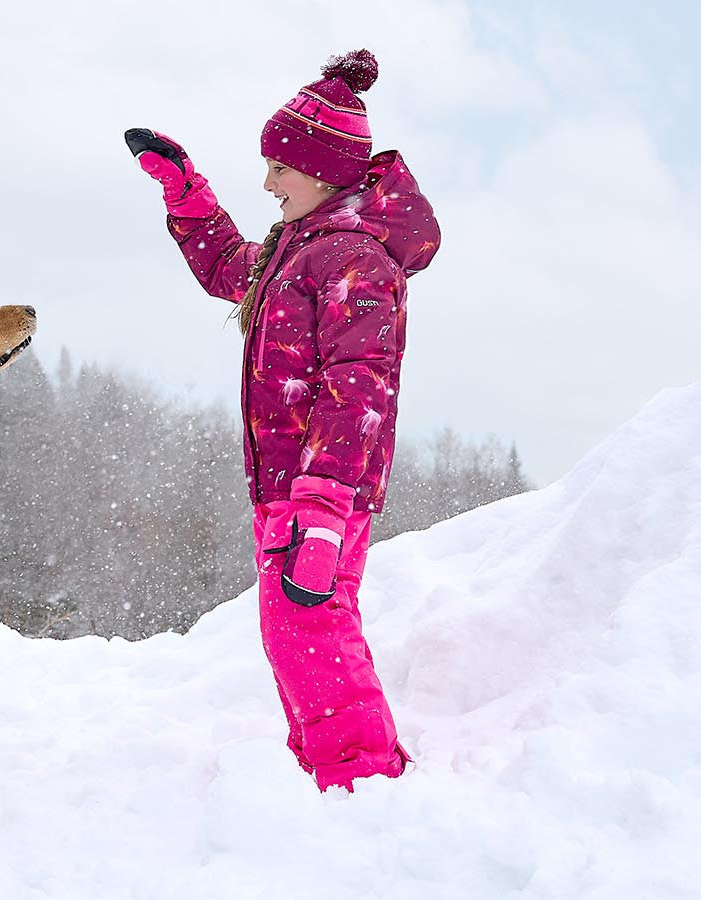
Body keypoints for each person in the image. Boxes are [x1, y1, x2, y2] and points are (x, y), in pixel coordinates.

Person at [127, 49, 440, 792]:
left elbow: (360, 386)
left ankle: (364, 784)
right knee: (294, 632)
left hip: (321, 496)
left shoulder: (352, 259)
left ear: (323, 170)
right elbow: (228, 268)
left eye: (279, 169)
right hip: (292, 492)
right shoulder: (301, 248)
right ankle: (327, 773)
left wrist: (324, 506)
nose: (267, 183)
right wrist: (186, 190)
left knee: (312, 630)